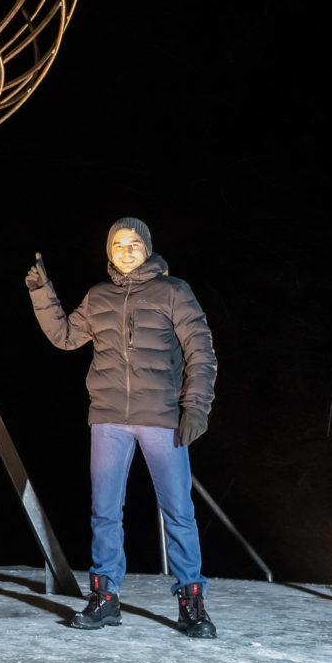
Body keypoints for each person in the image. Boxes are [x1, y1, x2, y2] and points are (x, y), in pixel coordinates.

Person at [26, 217, 219, 636]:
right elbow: (64, 337)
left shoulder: (174, 291)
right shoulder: (98, 297)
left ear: (147, 248)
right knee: (105, 511)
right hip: (108, 417)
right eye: (117, 244)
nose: (126, 250)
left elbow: (201, 351)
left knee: (179, 512)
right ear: (108, 252)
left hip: (162, 416)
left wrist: (196, 407)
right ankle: (104, 598)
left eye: (134, 243)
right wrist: (42, 292)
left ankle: (192, 603)